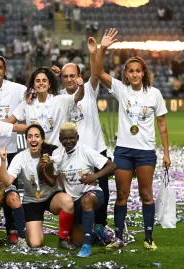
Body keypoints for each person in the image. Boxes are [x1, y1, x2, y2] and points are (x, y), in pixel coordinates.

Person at [94, 29, 171, 250]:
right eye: (131, 71)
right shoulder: (120, 89)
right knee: (122, 196)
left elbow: (162, 126)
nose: (135, 74)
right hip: (124, 151)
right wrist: (103, 48)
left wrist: (165, 153)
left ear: (143, 72)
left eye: (138, 71)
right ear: (125, 74)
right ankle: (119, 238)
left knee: (146, 195)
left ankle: (148, 238)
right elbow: (98, 72)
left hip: (145, 151)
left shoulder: (154, 94)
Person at [59, 38, 110, 240]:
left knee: (101, 191)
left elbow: (96, 72)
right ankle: (79, 225)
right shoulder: (60, 97)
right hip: (75, 155)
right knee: (78, 191)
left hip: (96, 149)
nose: (70, 79)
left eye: (73, 75)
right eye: (66, 76)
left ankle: (100, 226)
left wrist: (93, 52)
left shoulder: (89, 88)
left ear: (80, 76)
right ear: (62, 78)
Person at [0, 124, 77, 250]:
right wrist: (3, 162)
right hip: (32, 200)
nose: (33, 139)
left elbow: (57, 179)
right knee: (35, 244)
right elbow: (8, 181)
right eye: (29, 137)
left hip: (51, 196)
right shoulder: (20, 157)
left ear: (42, 139)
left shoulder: (52, 153)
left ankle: (64, 238)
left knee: (67, 201)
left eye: (36, 136)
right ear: (26, 140)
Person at [48, 122, 116, 257]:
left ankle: (87, 247)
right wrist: (46, 167)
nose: (68, 141)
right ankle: (95, 235)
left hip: (93, 194)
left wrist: (94, 176)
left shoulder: (86, 151)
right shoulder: (56, 154)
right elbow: (52, 181)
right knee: (76, 240)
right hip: (74, 201)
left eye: (71, 138)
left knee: (87, 200)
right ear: (60, 139)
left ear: (77, 137)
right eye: (65, 139)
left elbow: (112, 166)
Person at [6, 67, 85, 146]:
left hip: (57, 154)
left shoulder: (60, 100)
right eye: (38, 81)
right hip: (35, 154)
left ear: (49, 84)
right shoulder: (27, 103)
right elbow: (9, 121)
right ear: (33, 85)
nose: (41, 83)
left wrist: (81, 87)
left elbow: (78, 97)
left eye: (44, 80)